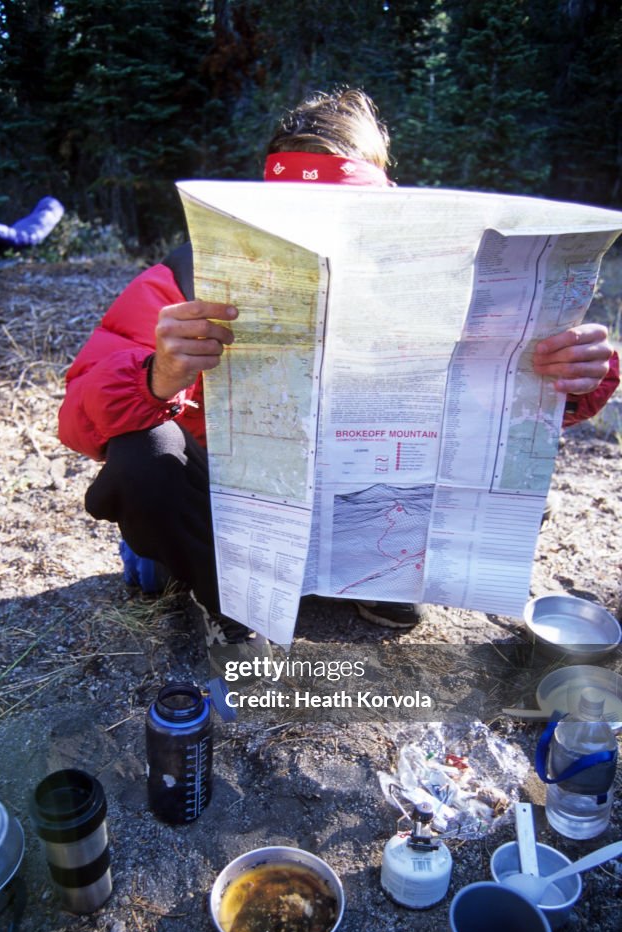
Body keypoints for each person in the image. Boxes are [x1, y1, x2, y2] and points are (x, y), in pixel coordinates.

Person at [58, 88, 620, 647]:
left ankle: (376, 577)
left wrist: (568, 376)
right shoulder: (185, 279)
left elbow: (498, 418)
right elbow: (78, 423)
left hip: (364, 503)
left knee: (518, 495)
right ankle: (225, 601)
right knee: (143, 460)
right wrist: (158, 374)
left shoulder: (441, 279)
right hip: (237, 514)